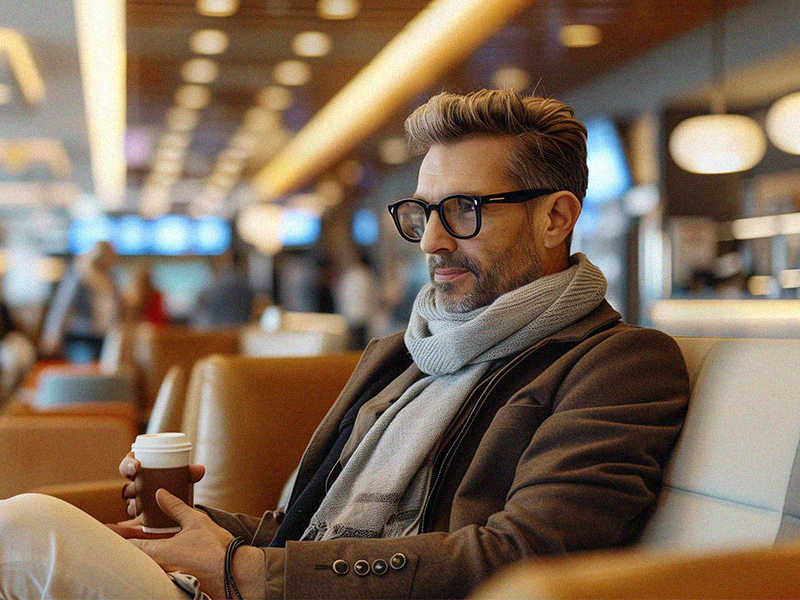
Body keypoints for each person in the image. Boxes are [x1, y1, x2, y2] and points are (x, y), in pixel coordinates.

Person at [0, 89, 690, 599]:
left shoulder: (618, 364)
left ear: (556, 218)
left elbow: (520, 559)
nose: (433, 240)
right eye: (422, 212)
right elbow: (304, 530)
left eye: (464, 211)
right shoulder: (402, 354)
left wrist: (243, 571)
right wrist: (195, 525)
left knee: (24, 530)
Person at [38, 240, 123, 363]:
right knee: (84, 370)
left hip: (105, 336)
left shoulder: (110, 278)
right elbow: (63, 305)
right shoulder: (81, 273)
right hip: (81, 336)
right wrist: (52, 334)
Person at [191, 247, 255, 328]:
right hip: (240, 333)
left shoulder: (221, 284)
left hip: (218, 333)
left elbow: (202, 303)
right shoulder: (244, 282)